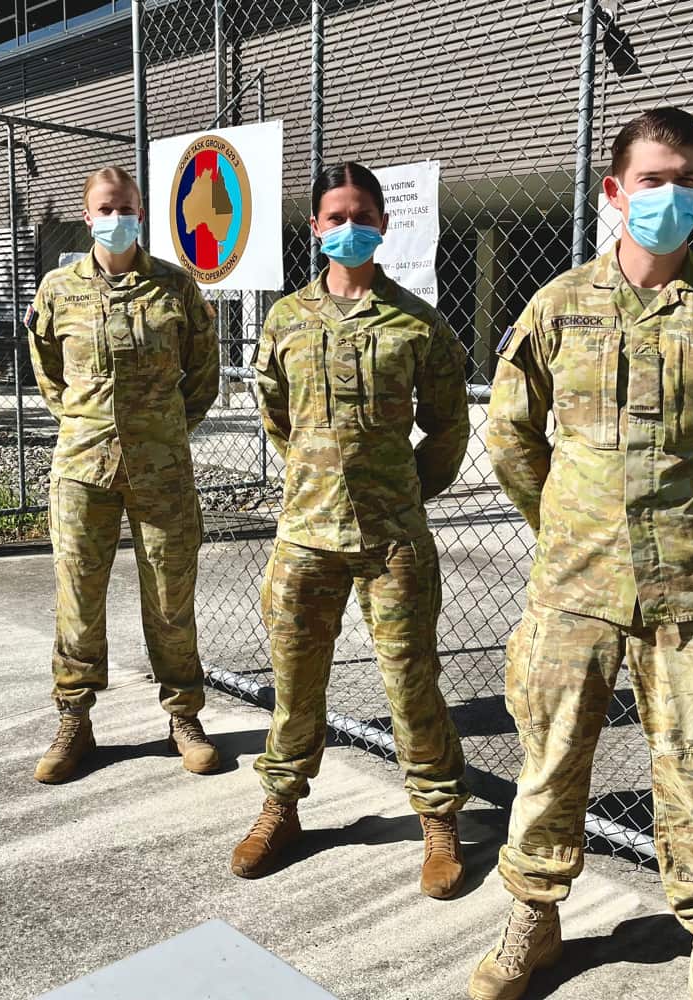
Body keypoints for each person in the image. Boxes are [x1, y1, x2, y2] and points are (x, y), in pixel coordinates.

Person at [470, 108, 693, 1000]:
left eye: (685, 179)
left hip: (687, 594)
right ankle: (532, 918)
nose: (669, 194)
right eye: (652, 179)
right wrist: (563, 523)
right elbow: (509, 435)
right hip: (571, 588)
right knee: (549, 762)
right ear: (615, 191)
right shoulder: (557, 305)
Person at [230, 162, 471, 898]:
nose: (349, 227)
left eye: (362, 215)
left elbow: (448, 427)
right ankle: (280, 806)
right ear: (315, 228)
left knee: (410, 681)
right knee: (294, 681)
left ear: (383, 224)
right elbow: (276, 416)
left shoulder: (417, 323)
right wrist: (319, 476)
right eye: (335, 217)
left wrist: (401, 490)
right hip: (306, 536)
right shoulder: (285, 319)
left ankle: (438, 818)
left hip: (391, 541)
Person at [26, 165, 221, 783]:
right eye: (106, 208)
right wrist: (83, 422)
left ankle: (183, 717)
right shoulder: (58, 289)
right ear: (88, 216)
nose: (117, 218)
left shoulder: (175, 286)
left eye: (127, 208)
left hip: (162, 471)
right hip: (82, 471)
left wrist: (164, 428)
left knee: (170, 597)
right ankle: (74, 721)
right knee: (77, 599)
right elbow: (48, 371)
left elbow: (203, 373)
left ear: (142, 213)